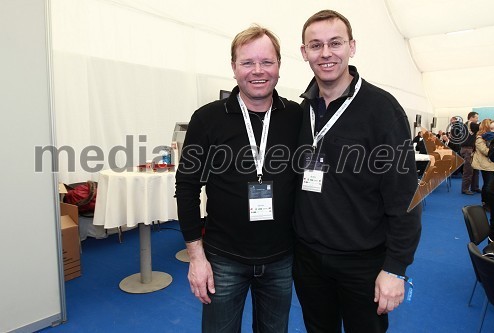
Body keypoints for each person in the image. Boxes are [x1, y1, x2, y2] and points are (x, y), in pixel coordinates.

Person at [292, 10, 422, 333]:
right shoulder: (302, 110)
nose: (325, 53)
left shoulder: (382, 109)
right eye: (316, 45)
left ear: (352, 47)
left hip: (362, 262)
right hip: (308, 259)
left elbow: (406, 197)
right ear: (304, 52)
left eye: (335, 43)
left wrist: (395, 268)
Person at [175, 25, 302, 333]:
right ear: (233, 67)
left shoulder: (297, 117)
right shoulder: (207, 118)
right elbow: (187, 187)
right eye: (247, 63)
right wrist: (196, 258)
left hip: (282, 258)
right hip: (223, 259)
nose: (257, 71)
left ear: (279, 66)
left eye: (266, 62)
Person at [471, 119, 494, 208]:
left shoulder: (493, 137)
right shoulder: (480, 138)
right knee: (488, 184)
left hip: (492, 164)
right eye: (493, 128)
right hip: (486, 165)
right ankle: (485, 203)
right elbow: (486, 152)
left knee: (490, 184)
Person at [460, 111, 480, 195]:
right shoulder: (470, 124)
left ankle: (474, 187)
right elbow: (481, 127)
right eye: (476, 117)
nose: (477, 119)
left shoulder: (466, 125)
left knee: (475, 169)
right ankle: (465, 189)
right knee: (468, 170)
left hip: (469, 149)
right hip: (468, 150)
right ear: (471, 117)